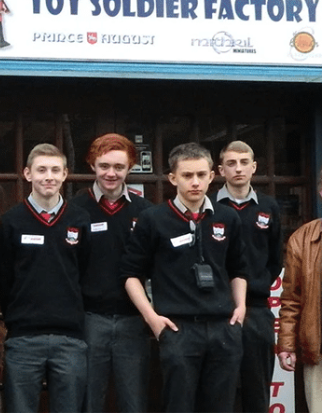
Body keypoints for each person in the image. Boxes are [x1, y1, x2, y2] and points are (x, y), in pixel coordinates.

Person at [121, 142, 248, 412]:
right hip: (178, 328)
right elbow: (131, 275)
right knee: (178, 405)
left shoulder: (227, 218)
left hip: (223, 328)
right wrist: (152, 318)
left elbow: (238, 269)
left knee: (221, 405)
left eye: (201, 175)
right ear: (173, 178)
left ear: (212, 175)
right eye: (188, 175)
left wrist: (241, 307)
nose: (195, 182)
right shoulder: (152, 219)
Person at [0, 143, 91, 412]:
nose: (48, 176)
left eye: (54, 170)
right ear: (27, 174)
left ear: (65, 174)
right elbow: (3, 278)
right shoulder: (11, 221)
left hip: (70, 339)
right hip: (23, 338)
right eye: (41, 170)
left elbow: (84, 271)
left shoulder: (79, 219)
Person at [70, 133, 153, 412]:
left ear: (130, 167)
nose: (111, 173)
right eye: (104, 165)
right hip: (90, 320)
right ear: (92, 165)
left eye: (119, 167)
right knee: (90, 400)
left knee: (134, 401)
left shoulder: (146, 212)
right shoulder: (74, 211)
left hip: (133, 321)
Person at [215, 140, 282, 413]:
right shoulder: (209, 206)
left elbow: (276, 259)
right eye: (231, 163)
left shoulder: (269, 206)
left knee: (256, 391)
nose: (238, 169)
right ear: (220, 170)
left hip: (256, 311)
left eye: (244, 163)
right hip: (218, 310)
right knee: (220, 391)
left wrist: (259, 283)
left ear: (254, 167)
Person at [277, 167, 322, 413]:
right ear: (320, 191)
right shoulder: (303, 239)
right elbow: (292, 299)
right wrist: (286, 345)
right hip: (318, 350)